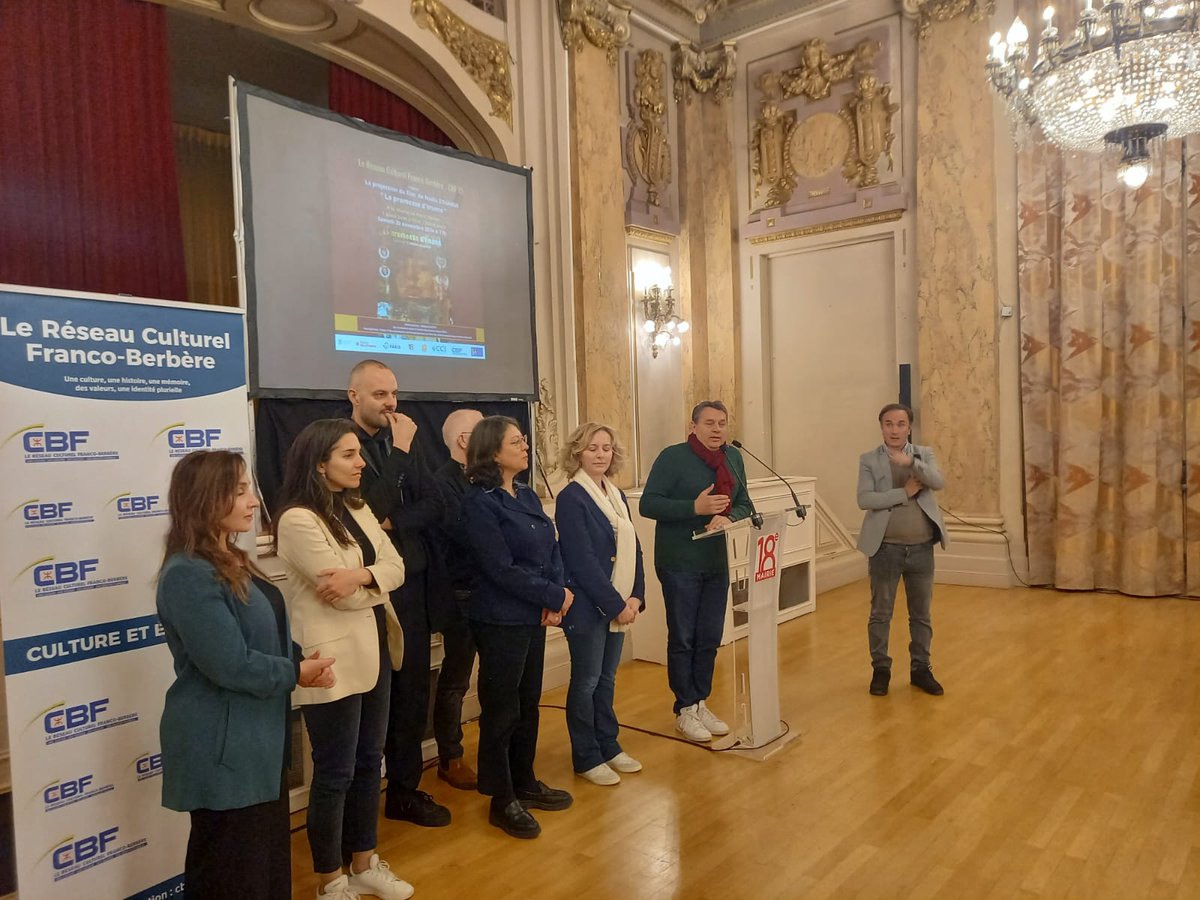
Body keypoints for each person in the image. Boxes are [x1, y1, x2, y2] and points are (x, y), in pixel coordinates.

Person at [157, 450, 336, 900]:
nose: (254, 500)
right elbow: (229, 664)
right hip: (222, 747)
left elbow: (263, 635)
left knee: (265, 868)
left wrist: (298, 661)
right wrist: (295, 671)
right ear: (204, 498)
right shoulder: (187, 574)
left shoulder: (233, 557)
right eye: (239, 491)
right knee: (230, 873)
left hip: (257, 740)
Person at [274, 419, 412, 900]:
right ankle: (330, 880)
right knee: (334, 772)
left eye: (359, 453)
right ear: (319, 463)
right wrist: (365, 582)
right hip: (329, 659)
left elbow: (398, 566)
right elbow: (339, 597)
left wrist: (359, 577)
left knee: (369, 762)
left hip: (375, 646)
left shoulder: (358, 505)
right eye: (349, 455)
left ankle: (363, 863)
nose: (361, 463)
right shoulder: (296, 519)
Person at [346, 360, 454, 825]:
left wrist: (389, 522)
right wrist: (400, 458)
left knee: (412, 692)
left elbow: (436, 503)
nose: (391, 404)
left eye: (393, 393)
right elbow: (364, 507)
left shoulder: (406, 442)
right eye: (379, 395)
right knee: (373, 697)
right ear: (353, 396)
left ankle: (405, 791)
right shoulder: (340, 442)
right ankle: (359, 801)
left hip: (409, 586)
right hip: (365, 590)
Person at [462, 415, 574, 838]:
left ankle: (525, 781)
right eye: (516, 442)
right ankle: (501, 797)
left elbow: (552, 545)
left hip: (534, 613)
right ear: (492, 451)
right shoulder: (479, 502)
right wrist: (550, 596)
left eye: (524, 440)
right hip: (500, 617)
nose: (525, 446)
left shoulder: (525, 494)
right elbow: (498, 568)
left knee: (529, 703)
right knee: (502, 709)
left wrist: (554, 594)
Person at [640, 400, 752, 743]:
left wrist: (728, 516)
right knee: (684, 636)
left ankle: (701, 701)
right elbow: (649, 503)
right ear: (693, 426)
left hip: (715, 560)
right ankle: (685, 708)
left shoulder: (733, 458)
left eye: (722, 423)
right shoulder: (672, 457)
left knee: (708, 636)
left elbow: (746, 503)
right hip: (679, 561)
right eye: (709, 423)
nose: (717, 429)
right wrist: (695, 507)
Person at [556, 422, 645, 785]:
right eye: (592, 448)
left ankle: (609, 745)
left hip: (620, 602)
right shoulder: (571, 497)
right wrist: (616, 605)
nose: (600, 454)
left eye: (606, 448)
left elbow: (633, 547)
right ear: (577, 452)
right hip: (589, 607)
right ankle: (586, 755)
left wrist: (637, 594)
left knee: (607, 680)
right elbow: (582, 561)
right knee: (587, 681)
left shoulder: (616, 494)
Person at [857, 402, 948, 697]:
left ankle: (921, 669)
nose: (894, 429)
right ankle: (880, 669)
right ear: (881, 426)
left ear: (909, 427)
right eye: (888, 424)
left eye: (900, 424)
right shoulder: (869, 459)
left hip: (921, 549)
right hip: (886, 549)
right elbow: (865, 499)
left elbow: (938, 481)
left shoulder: (924, 454)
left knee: (921, 614)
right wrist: (903, 493)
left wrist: (912, 464)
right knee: (881, 613)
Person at [429, 407, 486, 789]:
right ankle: (450, 757)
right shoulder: (442, 483)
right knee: (456, 680)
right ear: (465, 440)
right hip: (462, 593)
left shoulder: (484, 478)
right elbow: (467, 533)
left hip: (492, 589)